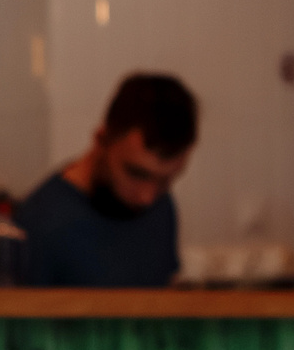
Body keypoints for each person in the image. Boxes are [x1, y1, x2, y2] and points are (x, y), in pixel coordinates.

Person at [12, 73, 200, 286]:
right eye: (136, 173)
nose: (146, 197)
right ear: (101, 140)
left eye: (166, 181)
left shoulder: (162, 206)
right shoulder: (42, 224)